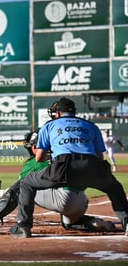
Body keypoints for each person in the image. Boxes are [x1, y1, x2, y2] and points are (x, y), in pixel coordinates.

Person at [10, 97, 128, 238]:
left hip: (63, 168)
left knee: (27, 183)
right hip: (91, 166)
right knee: (115, 188)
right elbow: (100, 157)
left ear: (58, 114)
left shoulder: (49, 126)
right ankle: (127, 223)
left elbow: (39, 157)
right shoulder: (91, 126)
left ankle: (23, 227)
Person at [0, 131, 116, 234]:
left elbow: (16, 191)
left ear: (34, 147)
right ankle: (94, 222)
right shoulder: (63, 153)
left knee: (21, 188)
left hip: (62, 200)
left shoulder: (34, 162)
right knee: (69, 223)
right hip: (81, 200)